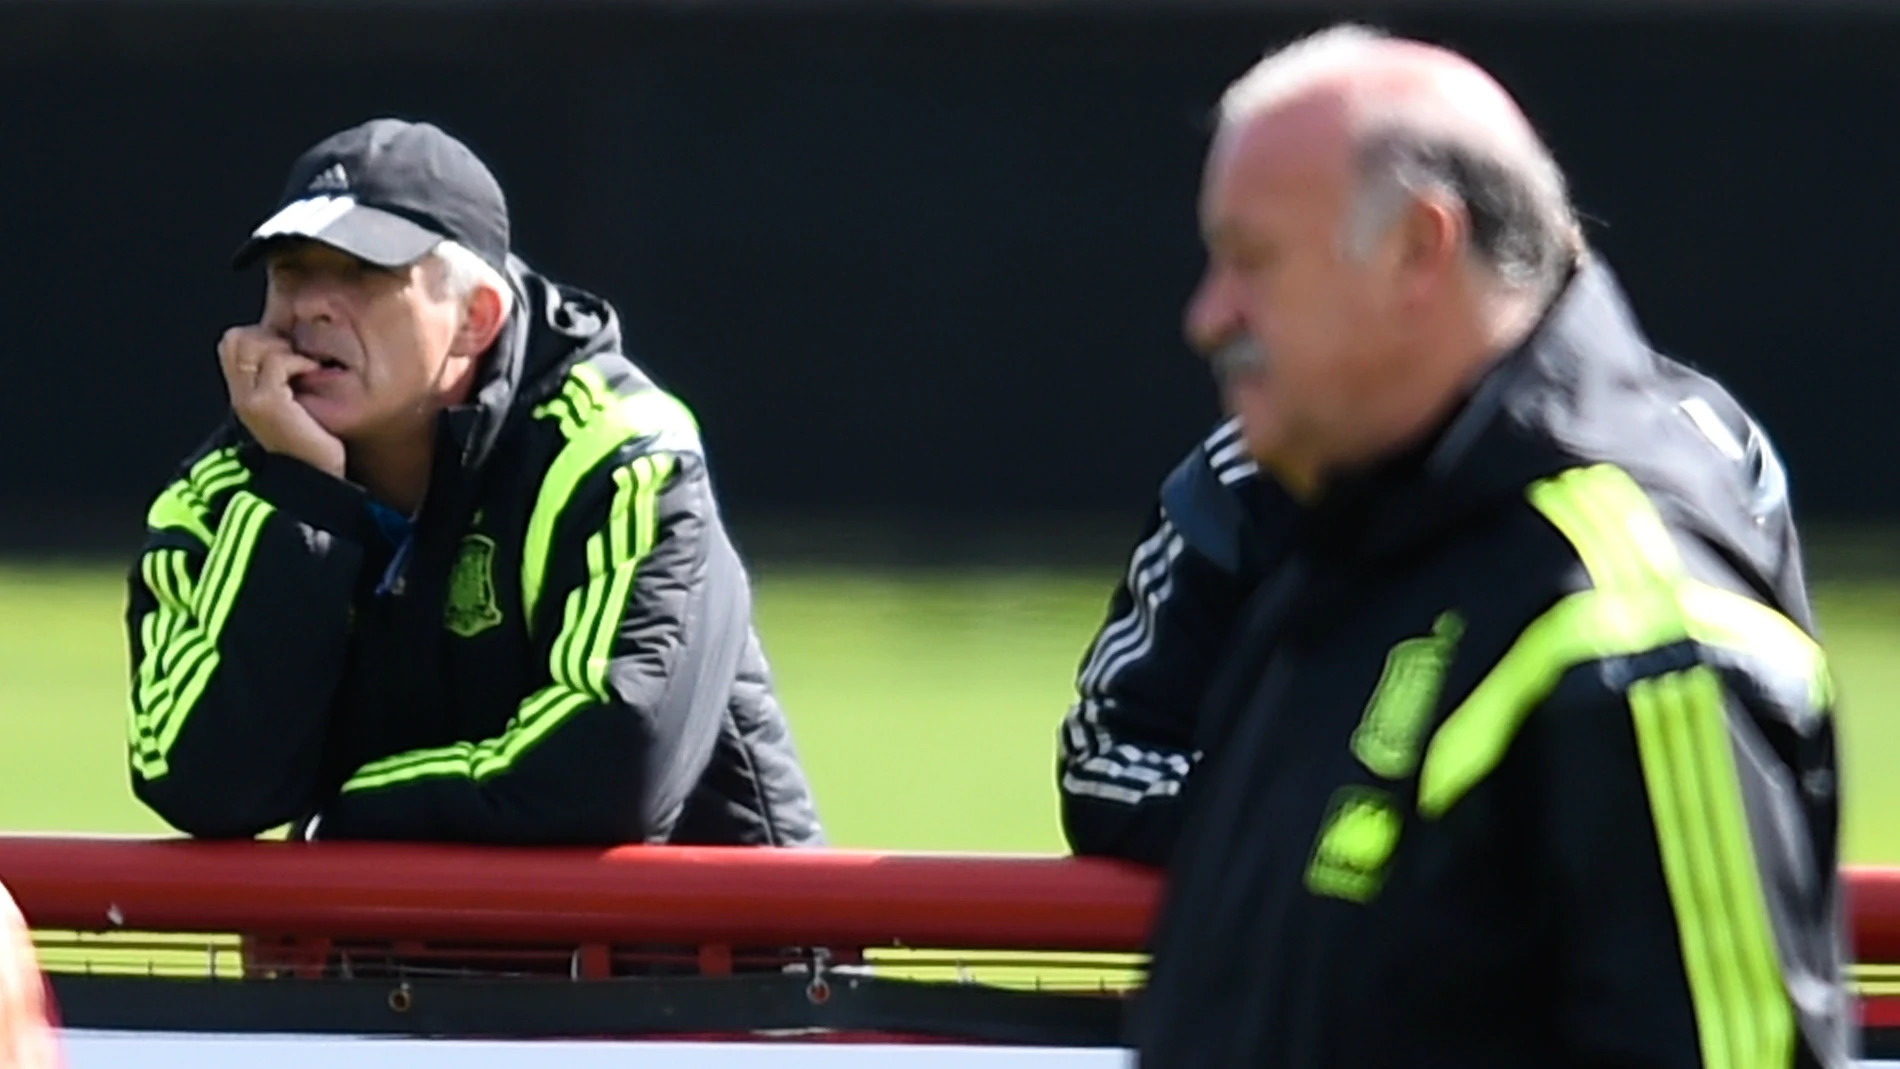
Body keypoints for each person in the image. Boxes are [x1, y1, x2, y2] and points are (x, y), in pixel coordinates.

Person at [1120, 24, 1854, 1067]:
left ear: (1418, 249)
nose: (1208, 315)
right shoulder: (1342, 559)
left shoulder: (1632, 622)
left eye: (1253, 261)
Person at [124, 118, 823, 848]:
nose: (311, 307)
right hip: (392, 927)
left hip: (698, 923)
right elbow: (199, 781)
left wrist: (344, 822)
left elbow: (614, 770)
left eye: (363, 272)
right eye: (290, 271)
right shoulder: (232, 486)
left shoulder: (618, 451)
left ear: (475, 319)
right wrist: (305, 500)